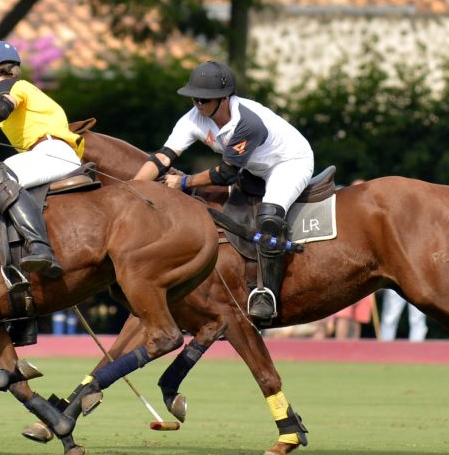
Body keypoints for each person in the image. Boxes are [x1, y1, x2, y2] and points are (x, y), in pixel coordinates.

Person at [133, 60, 315, 323]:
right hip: (253, 167)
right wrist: (133, 187)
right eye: (194, 98)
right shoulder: (193, 118)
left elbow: (226, 174)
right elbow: (164, 156)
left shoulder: (248, 122)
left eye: (204, 99)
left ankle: (266, 294)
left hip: (289, 162)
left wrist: (184, 183)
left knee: (268, 217)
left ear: (224, 98)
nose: (198, 104)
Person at [0, 40, 85, 279]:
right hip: (51, 154)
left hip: (52, 152)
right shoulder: (22, 89)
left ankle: (40, 247)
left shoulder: (15, 87)